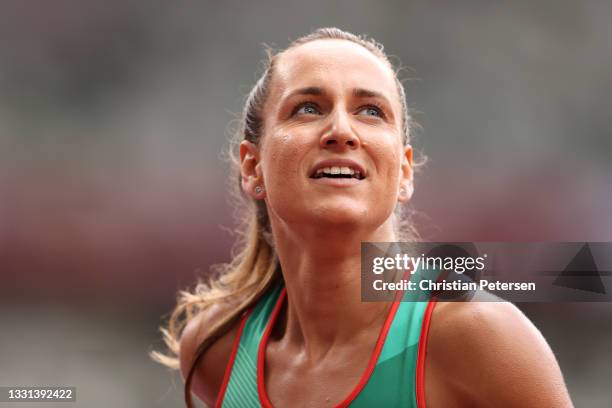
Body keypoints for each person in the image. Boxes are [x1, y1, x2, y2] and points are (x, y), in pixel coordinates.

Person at [152, 27, 574, 407]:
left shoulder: (481, 337)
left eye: (371, 111)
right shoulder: (216, 350)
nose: (341, 129)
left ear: (404, 173)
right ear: (252, 166)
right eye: (308, 108)